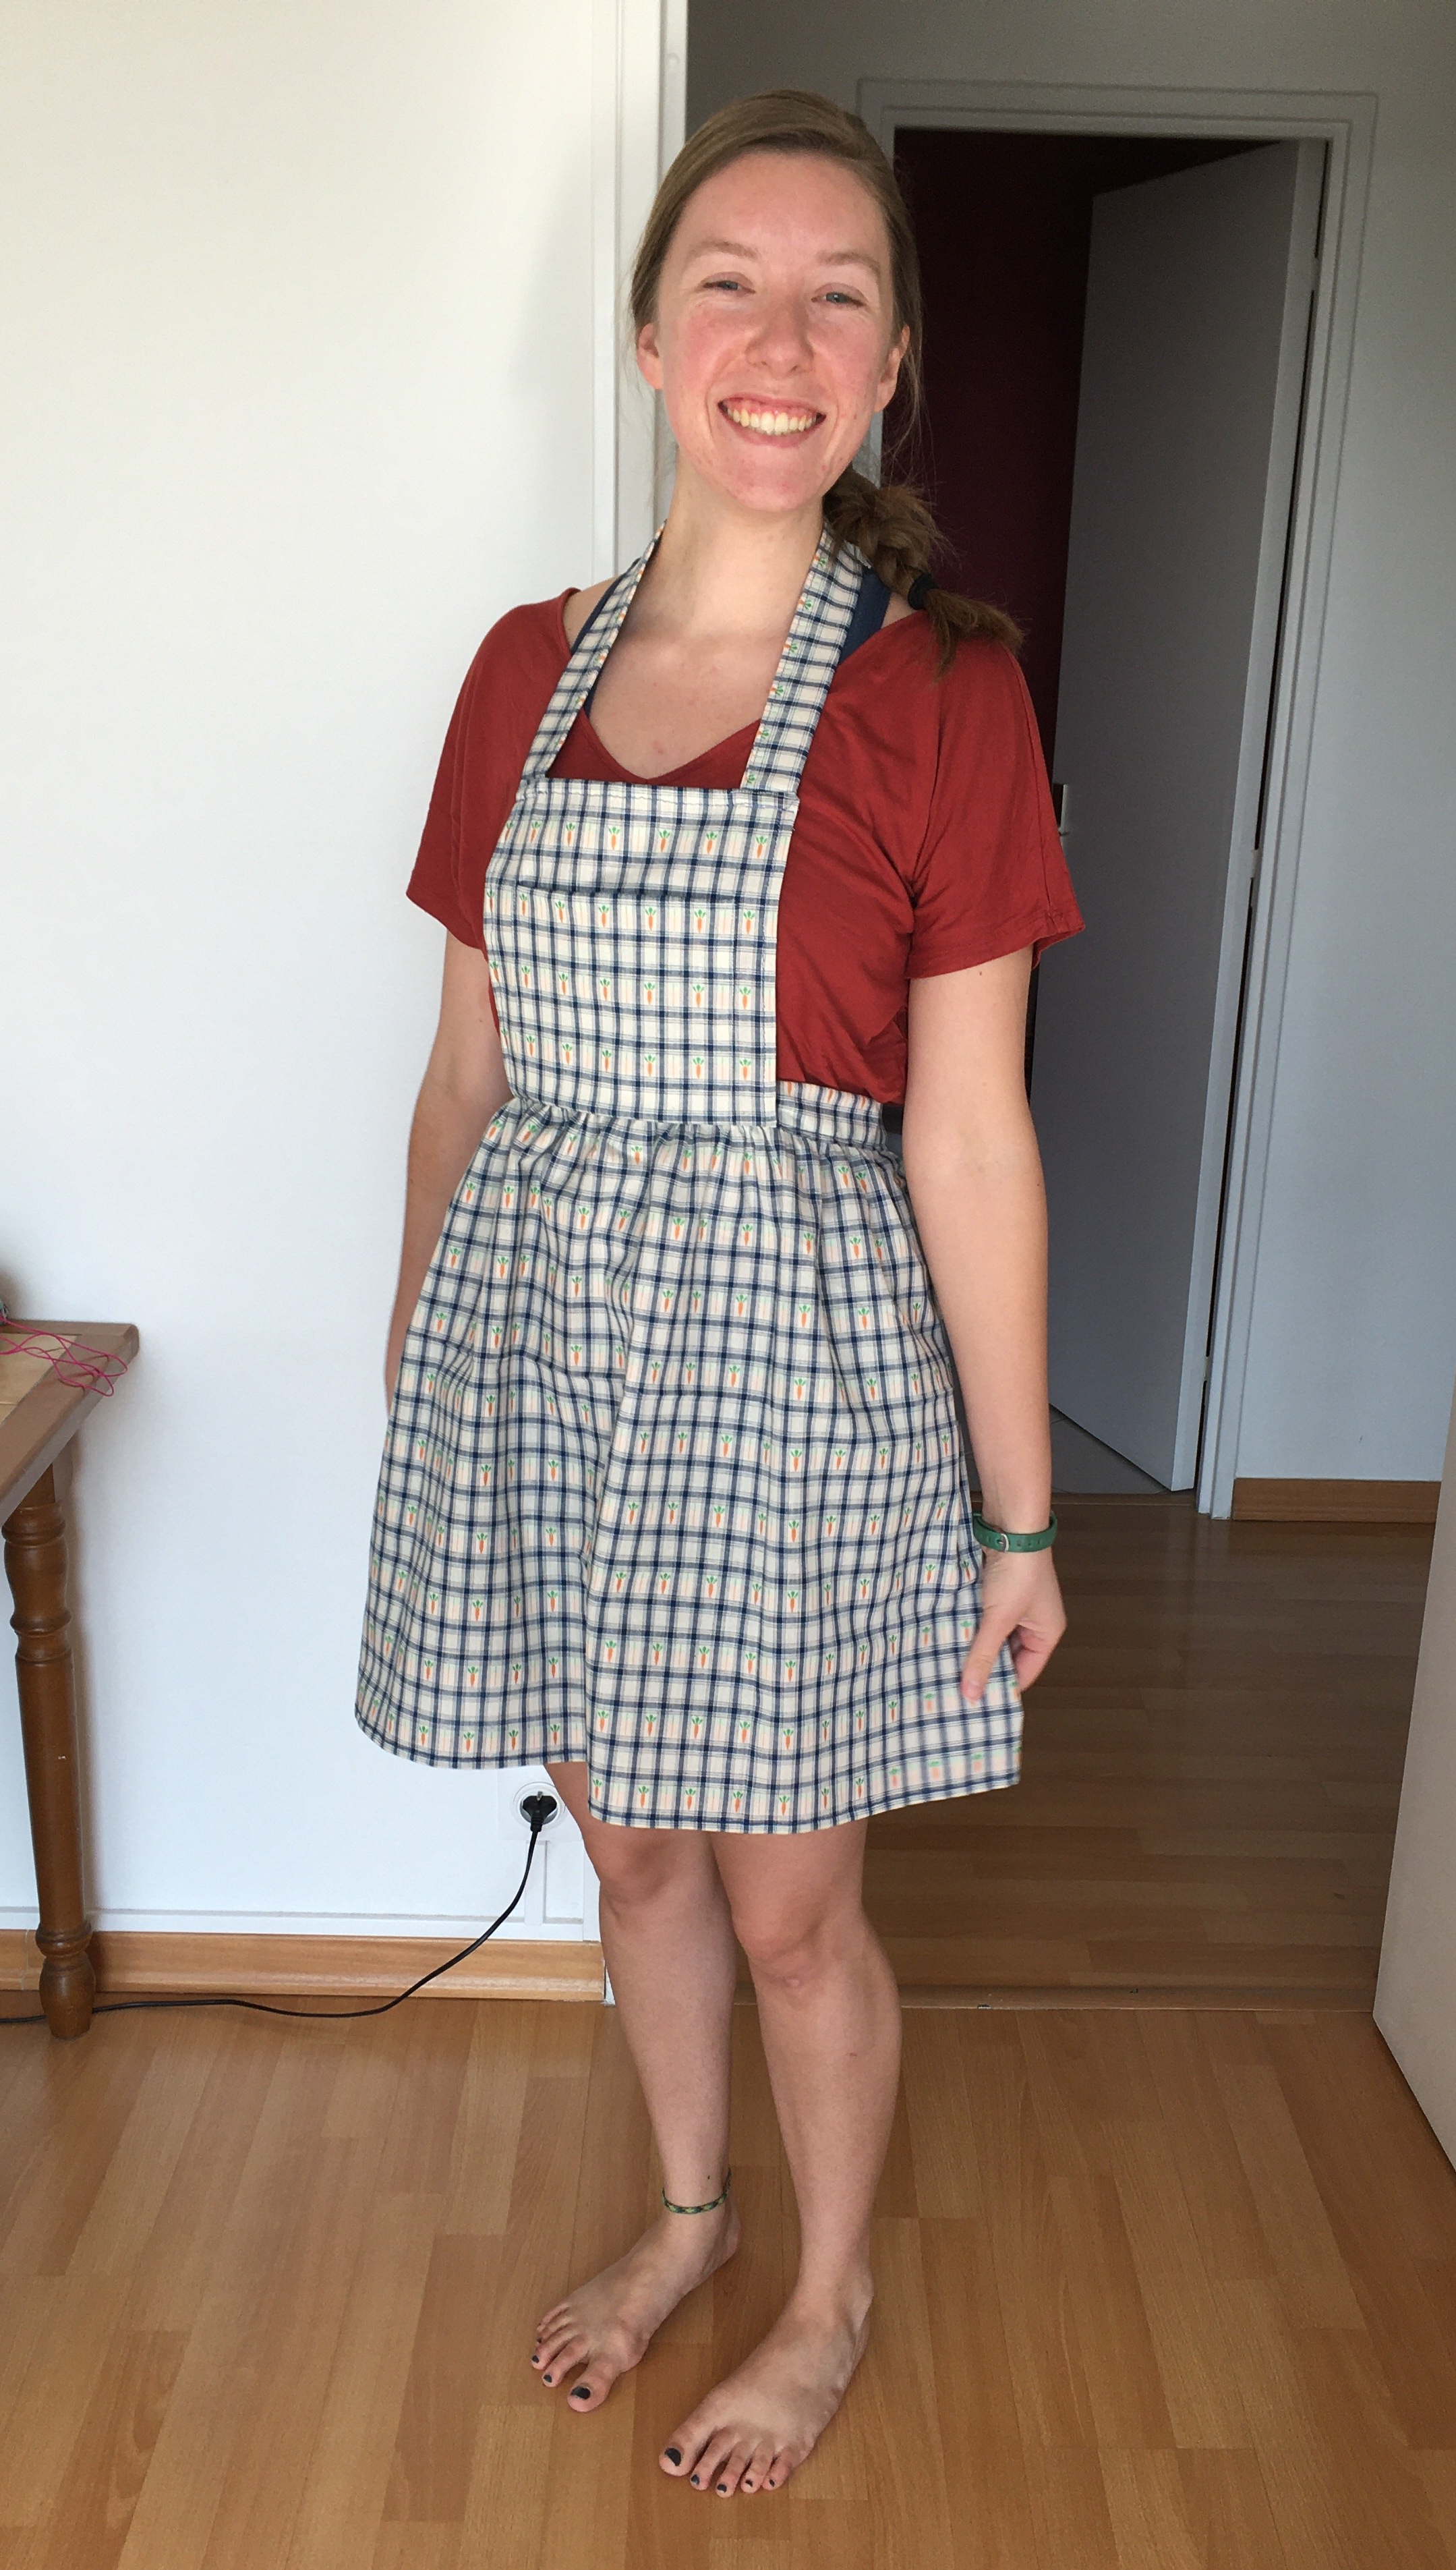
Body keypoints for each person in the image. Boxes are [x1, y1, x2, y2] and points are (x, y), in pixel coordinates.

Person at [356, 88, 1080, 2500]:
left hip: (793, 1371)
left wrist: (1019, 1515)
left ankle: (825, 2289)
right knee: (632, 1846)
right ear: (655, 339)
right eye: (730, 288)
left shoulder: (944, 689)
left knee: (788, 1905)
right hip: (541, 1349)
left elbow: (969, 1137)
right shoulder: (520, 670)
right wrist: (418, 1362)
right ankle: (690, 2212)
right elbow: (466, 1072)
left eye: (836, 296)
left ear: (889, 364)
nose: (782, 341)